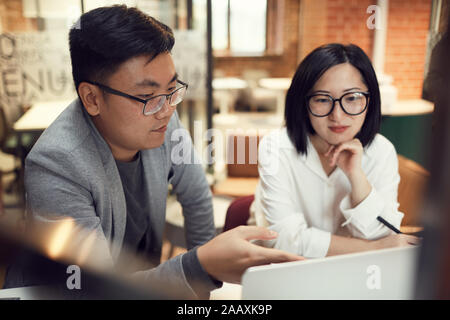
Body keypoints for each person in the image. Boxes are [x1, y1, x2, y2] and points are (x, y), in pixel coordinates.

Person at [4, 5, 302, 298]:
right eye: (147, 96)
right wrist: (200, 266)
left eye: (171, 90)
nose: (167, 109)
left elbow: (196, 192)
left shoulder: (162, 115)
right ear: (92, 98)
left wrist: (200, 291)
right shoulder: (56, 164)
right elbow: (91, 289)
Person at [251, 43, 420, 258]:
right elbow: (284, 241)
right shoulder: (276, 147)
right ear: (303, 103)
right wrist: (374, 249)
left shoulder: (382, 151)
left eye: (352, 98)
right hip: (288, 273)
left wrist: (356, 176)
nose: (337, 116)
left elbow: (385, 234)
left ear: (370, 100)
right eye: (322, 99)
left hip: (356, 277)